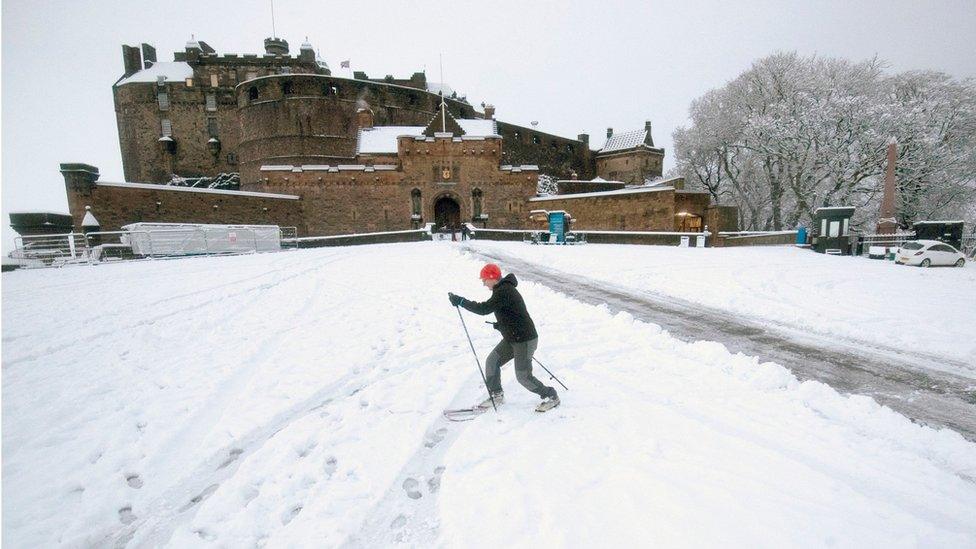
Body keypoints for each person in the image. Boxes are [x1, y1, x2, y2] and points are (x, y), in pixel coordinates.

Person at [448, 263, 560, 412]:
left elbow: (484, 309)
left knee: (523, 377)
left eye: (484, 279)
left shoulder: (504, 291)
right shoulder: (501, 290)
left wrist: (461, 301)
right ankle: (496, 394)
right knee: (492, 361)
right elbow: (511, 312)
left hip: (524, 340)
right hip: (512, 338)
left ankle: (551, 396)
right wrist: (501, 324)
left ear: (492, 277)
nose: (483, 283)